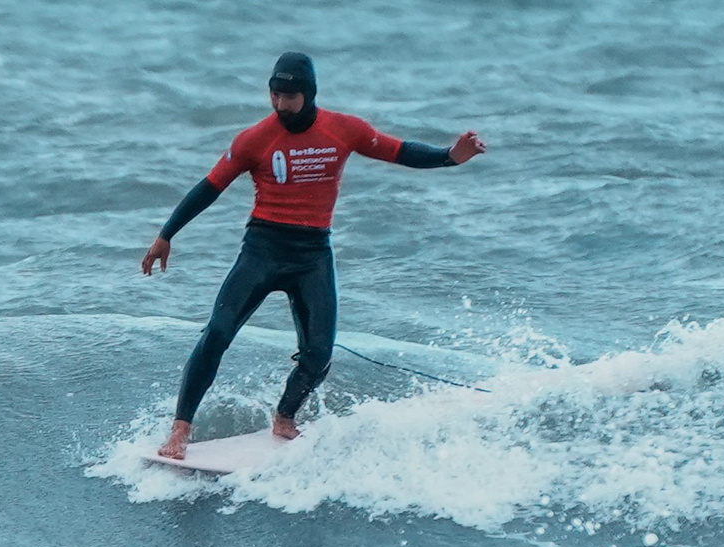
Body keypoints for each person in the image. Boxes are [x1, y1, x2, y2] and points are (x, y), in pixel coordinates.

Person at [140, 51, 485, 459]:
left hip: (313, 254)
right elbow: (209, 187)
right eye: (274, 94)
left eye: (289, 96)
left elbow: (399, 150)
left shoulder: (344, 129)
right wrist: (166, 234)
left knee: (319, 354)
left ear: (309, 94)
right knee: (217, 333)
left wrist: (449, 156)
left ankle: (284, 416)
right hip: (263, 249)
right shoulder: (254, 139)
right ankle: (180, 429)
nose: (280, 104)